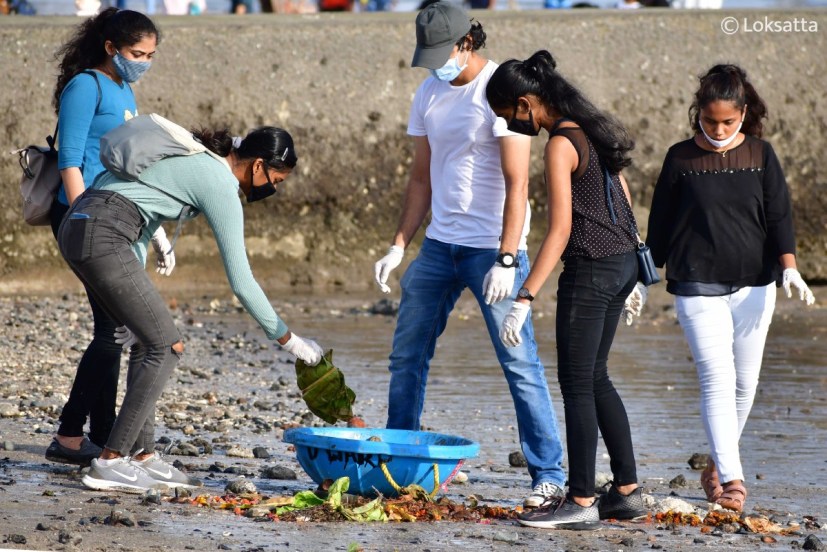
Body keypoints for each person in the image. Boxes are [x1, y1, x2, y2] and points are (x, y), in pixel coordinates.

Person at [58, 121, 325, 493]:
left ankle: (142, 455)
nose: (273, 189)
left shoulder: (198, 159)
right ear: (259, 166)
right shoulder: (219, 181)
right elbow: (241, 280)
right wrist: (288, 338)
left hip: (81, 224)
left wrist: (136, 282)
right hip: (104, 233)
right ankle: (110, 462)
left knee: (144, 337)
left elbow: (138, 206)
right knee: (167, 346)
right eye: (277, 180)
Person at [373, 2, 566, 509]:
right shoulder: (429, 91)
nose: (436, 64)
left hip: (491, 252)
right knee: (406, 355)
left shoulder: (499, 90)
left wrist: (507, 258)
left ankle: (549, 473)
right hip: (439, 246)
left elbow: (517, 181)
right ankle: (401, 457)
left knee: (518, 360)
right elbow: (420, 177)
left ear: (466, 43)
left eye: (443, 53)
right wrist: (399, 245)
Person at [485, 50, 648, 529]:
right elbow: (624, 196)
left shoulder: (560, 142)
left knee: (577, 384)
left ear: (526, 102)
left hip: (591, 269)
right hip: (620, 262)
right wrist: (633, 269)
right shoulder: (591, 127)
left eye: (510, 116)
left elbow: (559, 230)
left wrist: (524, 295)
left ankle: (578, 501)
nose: (515, 126)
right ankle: (626, 491)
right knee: (597, 377)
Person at [645, 64, 816, 513]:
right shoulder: (680, 158)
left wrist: (790, 267)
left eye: (727, 121)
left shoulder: (761, 154)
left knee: (746, 384)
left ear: (743, 114)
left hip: (756, 284)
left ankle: (718, 466)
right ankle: (734, 481)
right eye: (709, 120)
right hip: (696, 282)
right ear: (697, 113)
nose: (718, 129)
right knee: (717, 380)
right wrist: (640, 279)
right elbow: (659, 224)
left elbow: (779, 215)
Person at [46, 8, 167, 467]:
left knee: (112, 330)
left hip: (115, 218)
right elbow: (70, 159)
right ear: (111, 48)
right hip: (84, 217)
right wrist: (82, 220)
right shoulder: (86, 86)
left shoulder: (124, 88)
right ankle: (70, 435)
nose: (144, 62)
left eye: (151, 55)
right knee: (115, 331)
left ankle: (96, 433)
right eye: (137, 53)